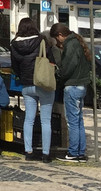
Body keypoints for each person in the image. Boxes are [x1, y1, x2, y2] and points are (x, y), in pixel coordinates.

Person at [10, 17, 53, 162]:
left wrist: (22, 75)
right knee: (46, 120)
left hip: (27, 85)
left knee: (29, 119)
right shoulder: (42, 41)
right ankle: (46, 154)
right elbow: (51, 60)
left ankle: (28, 151)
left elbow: (14, 66)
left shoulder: (14, 44)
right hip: (43, 83)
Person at [53, 24, 91, 163]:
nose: (58, 43)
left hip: (73, 86)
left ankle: (74, 152)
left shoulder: (71, 45)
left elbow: (68, 67)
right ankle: (80, 152)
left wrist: (58, 72)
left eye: (57, 39)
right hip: (81, 86)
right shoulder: (78, 42)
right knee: (79, 120)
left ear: (60, 35)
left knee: (73, 122)